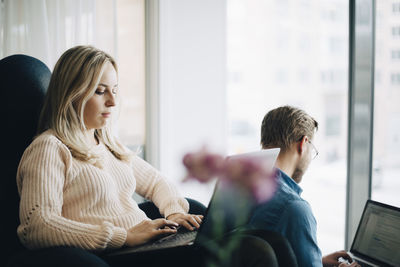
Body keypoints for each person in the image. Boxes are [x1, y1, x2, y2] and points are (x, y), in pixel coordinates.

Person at [10, 45, 278, 267]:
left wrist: (174, 211)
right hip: (118, 255)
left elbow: (158, 183)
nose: (112, 103)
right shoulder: (49, 149)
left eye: (114, 90)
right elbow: (37, 226)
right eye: (100, 91)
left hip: (146, 243)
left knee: (268, 239)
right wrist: (122, 236)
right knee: (254, 251)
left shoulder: (106, 143)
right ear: (70, 93)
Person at [248, 106, 360, 267]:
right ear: (304, 143)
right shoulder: (294, 208)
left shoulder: (240, 188)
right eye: (312, 150)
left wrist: (317, 262)